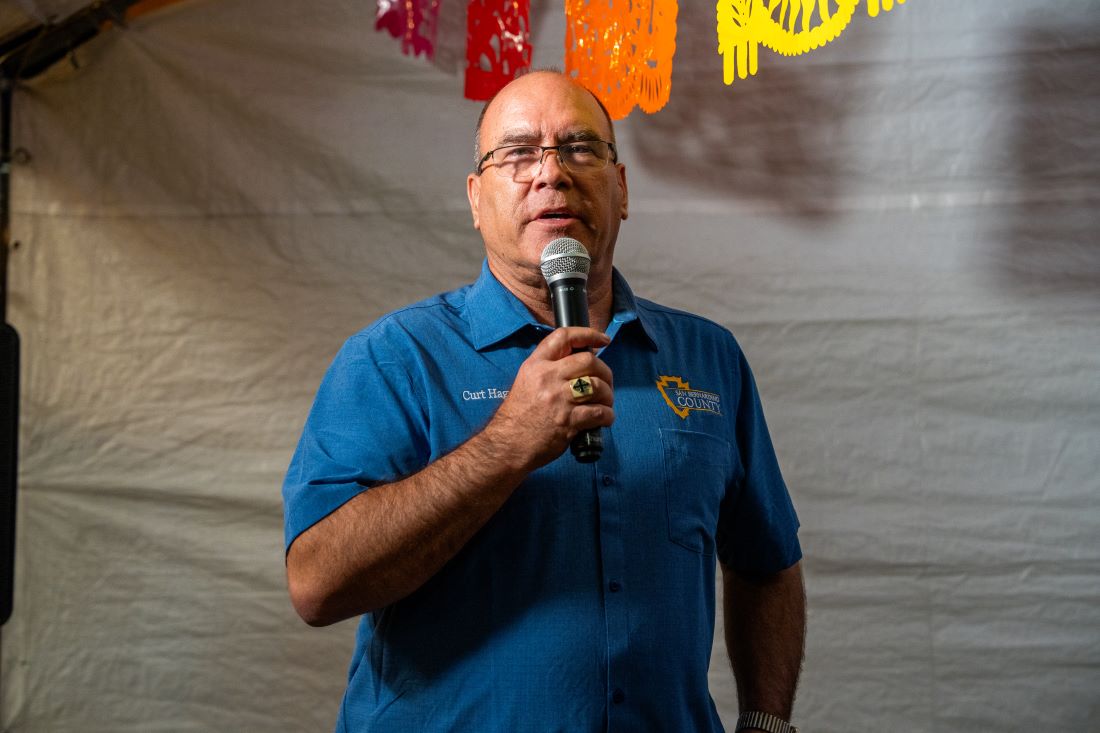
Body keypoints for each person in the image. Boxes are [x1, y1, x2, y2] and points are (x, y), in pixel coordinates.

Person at [283, 70, 806, 733]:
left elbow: (767, 562)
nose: (551, 172)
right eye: (518, 153)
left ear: (621, 189)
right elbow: (317, 584)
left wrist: (765, 723)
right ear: (477, 198)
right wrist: (507, 443)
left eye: (580, 148)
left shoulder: (709, 359)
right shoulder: (393, 358)